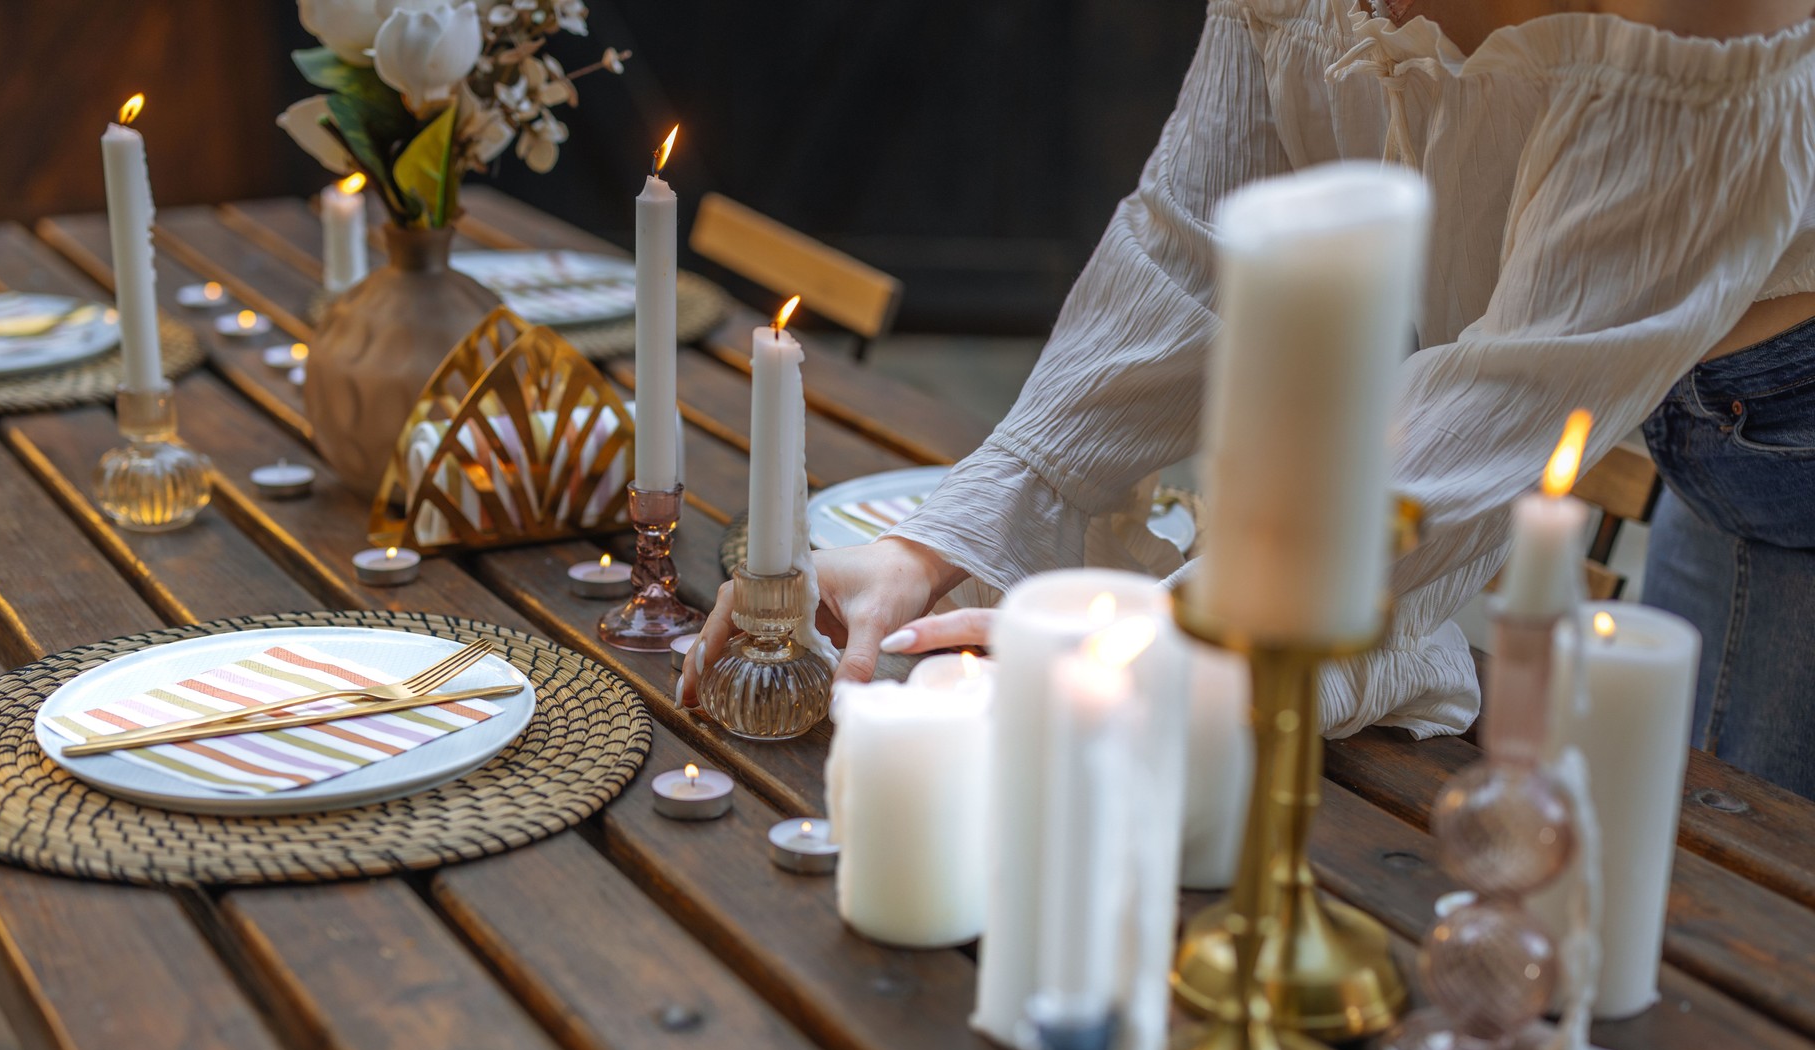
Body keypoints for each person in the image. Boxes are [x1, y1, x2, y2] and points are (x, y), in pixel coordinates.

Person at [682, 0, 1815, 813]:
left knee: (1757, 881)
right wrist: (944, 539)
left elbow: (1506, 396)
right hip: (1678, 402)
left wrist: (1166, 638)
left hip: (1791, 428)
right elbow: (1188, 246)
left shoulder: (1704, 18)